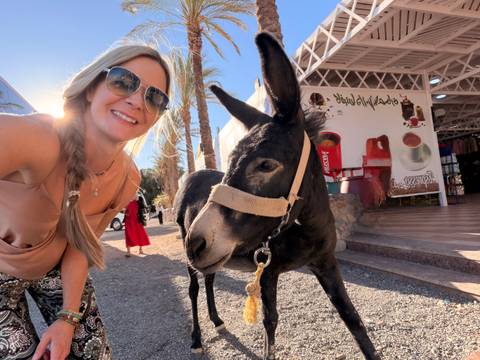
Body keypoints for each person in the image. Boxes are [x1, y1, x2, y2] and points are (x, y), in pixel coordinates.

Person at [0, 42, 170, 360]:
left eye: (155, 97)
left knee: (93, 353)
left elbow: (79, 246)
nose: (137, 101)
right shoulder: (40, 139)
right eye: (123, 81)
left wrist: (67, 319)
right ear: (92, 88)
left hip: (55, 269)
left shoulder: (127, 178)